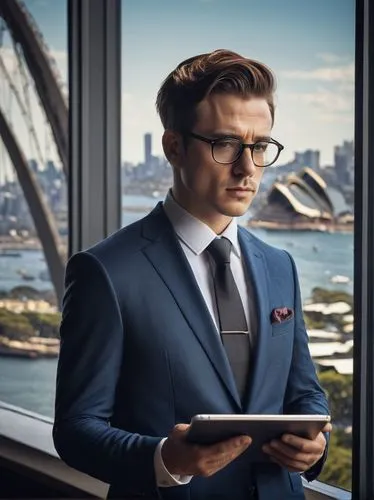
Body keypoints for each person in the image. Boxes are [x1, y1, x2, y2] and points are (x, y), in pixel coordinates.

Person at [53, 49, 331, 500]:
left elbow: (305, 395)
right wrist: (165, 458)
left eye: (260, 146)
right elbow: (74, 430)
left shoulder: (280, 266)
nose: (248, 168)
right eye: (226, 144)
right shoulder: (104, 272)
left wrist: (314, 448)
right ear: (174, 147)